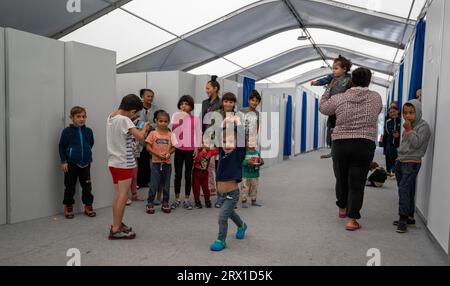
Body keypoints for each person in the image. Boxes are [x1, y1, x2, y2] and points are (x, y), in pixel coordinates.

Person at [319, 67, 383, 231]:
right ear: (369, 81)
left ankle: (342, 208)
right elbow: (378, 112)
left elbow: (324, 108)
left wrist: (329, 88)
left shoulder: (340, 98)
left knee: (341, 177)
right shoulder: (376, 97)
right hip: (364, 143)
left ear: (351, 80)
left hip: (341, 142)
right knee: (357, 181)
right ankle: (352, 219)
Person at [107, 94, 150, 240]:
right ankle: (115, 229)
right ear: (132, 110)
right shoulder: (125, 120)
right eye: (135, 112)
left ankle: (117, 223)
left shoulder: (111, 116)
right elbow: (141, 137)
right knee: (123, 197)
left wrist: (131, 121)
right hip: (124, 163)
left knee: (118, 195)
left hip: (113, 162)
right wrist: (144, 128)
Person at [210, 114, 247, 252]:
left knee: (222, 217)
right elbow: (220, 136)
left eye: (231, 141)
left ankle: (221, 240)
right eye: (224, 141)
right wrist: (223, 122)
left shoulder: (238, 154)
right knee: (230, 213)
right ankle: (242, 225)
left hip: (232, 193)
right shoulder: (221, 152)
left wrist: (238, 122)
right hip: (221, 193)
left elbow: (241, 138)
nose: (226, 144)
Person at [393, 100, 431, 233]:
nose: (407, 116)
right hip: (401, 161)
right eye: (405, 113)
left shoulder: (423, 126)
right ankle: (409, 216)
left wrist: (409, 130)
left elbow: (416, 144)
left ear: (418, 112)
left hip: (412, 162)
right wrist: (398, 158)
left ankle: (403, 219)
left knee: (404, 189)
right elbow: (405, 145)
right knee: (406, 189)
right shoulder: (407, 125)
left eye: (411, 113)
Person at [312, 55, 353, 159]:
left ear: (344, 69)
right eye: (333, 68)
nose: (333, 71)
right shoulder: (332, 78)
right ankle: (333, 150)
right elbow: (324, 80)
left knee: (341, 128)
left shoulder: (350, 79)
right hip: (332, 106)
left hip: (343, 107)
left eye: (336, 68)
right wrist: (316, 82)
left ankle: (342, 149)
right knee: (331, 128)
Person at [59, 106, 96, 219]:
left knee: (87, 186)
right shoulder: (67, 132)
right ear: (72, 117)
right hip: (71, 164)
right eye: (78, 116)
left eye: (83, 116)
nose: (81, 119)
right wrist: (64, 161)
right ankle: (69, 206)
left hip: (85, 163)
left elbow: (90, 144)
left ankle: (88, 206)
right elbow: (61, 147)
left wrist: (86, 154)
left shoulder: (88, 131)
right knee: (70, 186)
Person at [171, 95, 202, 210]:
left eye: (187, 104)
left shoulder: (196, 119)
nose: (184, 106)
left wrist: (196, 148)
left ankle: (187, 199)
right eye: (182, 103)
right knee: (177, 175)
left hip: (190, 151)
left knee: (188, 175)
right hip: (179, 150)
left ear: (191, 106)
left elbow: (199, 134)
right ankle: (177, 199)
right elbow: (174, 132)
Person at [145, 110, 178, 214]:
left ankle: (165, 202)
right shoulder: (152, 133)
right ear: (156, 121)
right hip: (155, 163)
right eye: (160, 121)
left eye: (165, 121)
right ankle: (150, 202)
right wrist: (157, 154)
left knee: (166, 184)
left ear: (168, 122)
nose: (163, 123)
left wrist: (169, 152)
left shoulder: (171, 134)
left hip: (167, 164)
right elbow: (148, 147)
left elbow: (174, 147)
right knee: (154, 184)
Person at [202, 76, 221, 197]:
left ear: (215, 88)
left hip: (217, 137)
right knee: (206, 163)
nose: (206, 90)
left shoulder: (221, 102)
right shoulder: (205, 102)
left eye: (208, 88)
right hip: (206, 136)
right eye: (206, 88)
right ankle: (210, 187)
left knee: (216, 164)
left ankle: (219, 189)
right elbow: (201, 120)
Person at [136, 89, 158, 189]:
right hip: (139, 138)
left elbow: (159, 121)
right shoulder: (136, 108)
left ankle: (148, 181)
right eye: (148, 96)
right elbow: (134, 121)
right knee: (140, 161)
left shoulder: (156, 108)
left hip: (152, 138)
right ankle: (139, 182)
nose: (150, 98)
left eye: (152, 96)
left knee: (150, 161)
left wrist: (151, 126)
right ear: (142, 96)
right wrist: (144, 126)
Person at [240, 138, 264, 208]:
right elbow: (241, 162)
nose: (251, 143)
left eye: (253, 142)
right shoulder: (244, 153)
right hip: (245, 175)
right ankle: (244, 201)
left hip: (254, 174)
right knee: (244, 188)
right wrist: (247, 162)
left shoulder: (257, 153)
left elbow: (261, 162)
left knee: (254, 188)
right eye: (249, 141)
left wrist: (261, 161)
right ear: (246, 143)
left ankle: (254, 200)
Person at [192, 145, 213, 209]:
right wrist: (199, 149)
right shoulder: (197, 151)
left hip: (205, 172)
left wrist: (208, 148)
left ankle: (207, 200)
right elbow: (195, 158)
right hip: (196, 172)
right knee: (196, 188)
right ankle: (197, 201)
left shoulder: (210, 152)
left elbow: (217, 150)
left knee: (206, 188)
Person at [383, 106, 401, 177]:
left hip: (399, 143)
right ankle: (390, 170)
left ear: (397, 111)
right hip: (390, 143)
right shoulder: (388, 122)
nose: (392, 113)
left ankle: (395, 170)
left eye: (394, 111)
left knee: (397, 157)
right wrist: (393, 133)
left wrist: (398, 134)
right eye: (390, 112)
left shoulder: (401, 120)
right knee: (390, 156)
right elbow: (387, 130)